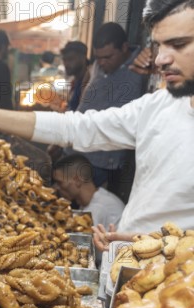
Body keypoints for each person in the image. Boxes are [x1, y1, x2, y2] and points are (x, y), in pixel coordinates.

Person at [0, 0, 194, 253]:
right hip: (125, 265)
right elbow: (78, 127)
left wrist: (159, 246)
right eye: (158, 45)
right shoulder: (159, 105)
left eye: (179, 44)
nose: (160, 58)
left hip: (174, 282)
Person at [66, 23, 145, 203]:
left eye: (107, 57)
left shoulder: (142, 65)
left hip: (104, 160)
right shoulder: (97, 67)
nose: (102, 62)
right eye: (98, 57)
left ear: (124, 48)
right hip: (76, 149)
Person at [52, 154, 124, 229]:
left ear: (77, 180)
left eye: (60, 183)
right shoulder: (92, 201)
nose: (56, 188)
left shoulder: (98, 208)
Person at [61, 41, 91, 112]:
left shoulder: (90, 81)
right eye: (64, 60)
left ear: (83, 58)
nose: (66, 64)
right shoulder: (75, 81)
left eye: (70, 59)